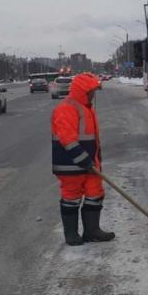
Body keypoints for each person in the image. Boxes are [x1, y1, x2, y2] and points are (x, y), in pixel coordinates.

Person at [51, 72, 114, 245]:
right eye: (91, 91)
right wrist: (83, 160)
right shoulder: (67, 108)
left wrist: (93, 161)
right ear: (82, 91)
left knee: (95, 194)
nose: (94, 95)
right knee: (71, 198)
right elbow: (67, 139)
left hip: (90, 165)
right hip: (70, 165)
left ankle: (92, 231)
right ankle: (71, 234)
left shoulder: (87, 108)